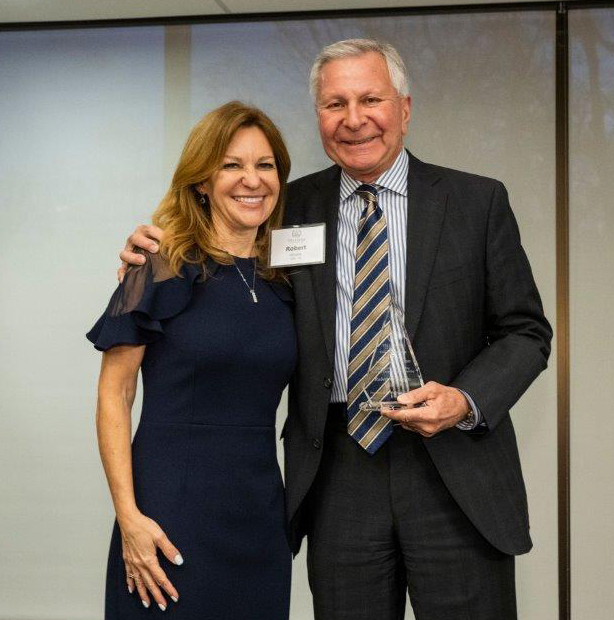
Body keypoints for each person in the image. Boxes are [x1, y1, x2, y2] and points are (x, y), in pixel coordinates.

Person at [119, 40, 552, 620]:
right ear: (319, 116)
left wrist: (465, 400)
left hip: (455, 473)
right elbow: (217, 257)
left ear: (404, 107)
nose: (354, 119)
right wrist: (148, 254)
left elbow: (526, 330)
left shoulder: (476, 202)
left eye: (370, 99)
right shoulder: (283, 209)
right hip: (338, 476)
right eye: (335, 103)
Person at [87, 101, 295, 618]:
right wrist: (129, 517)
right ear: (201, 181)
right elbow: (115, 393)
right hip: (169, 512)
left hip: (260, 515)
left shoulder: (287, 280)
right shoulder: (156, 266)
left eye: (264, 165)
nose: (252, 180)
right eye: (232, 165)